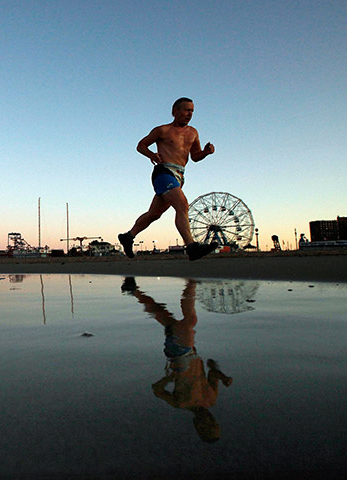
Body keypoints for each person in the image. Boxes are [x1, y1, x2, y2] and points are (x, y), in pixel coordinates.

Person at [122, 277, 233, 442]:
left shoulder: (181, 403)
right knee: (162, 315)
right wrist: (222, 377)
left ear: (197, 425)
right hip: (192, 354)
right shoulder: (211, 399)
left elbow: (156, 389)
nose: (208, 420)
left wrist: (169, 378)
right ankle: (133, 290)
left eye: (206, 426)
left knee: (190, 322)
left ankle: (191, 282)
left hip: (178, 355)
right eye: (213, 422)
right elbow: (212, 375)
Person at [119, 97, 218, 261]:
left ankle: (128, 237)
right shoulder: (162, 130)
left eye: (192, 111)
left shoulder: (193, 132)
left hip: (179, 175)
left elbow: (195, 156)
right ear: (175, 111)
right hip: (163, 172)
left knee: (154, 214)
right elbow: (141, 145)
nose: (189, 114)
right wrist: (151, 155)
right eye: (186, 110)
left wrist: (206, 153)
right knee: (182, 204)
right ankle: (191, 247)